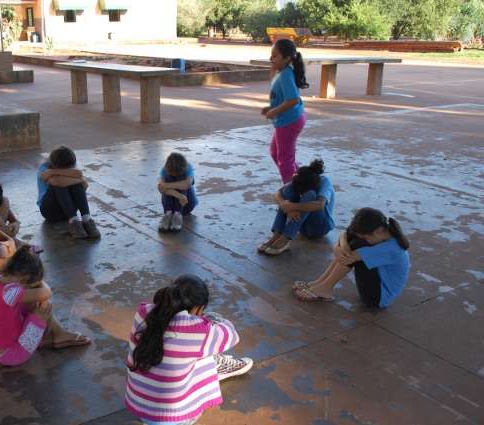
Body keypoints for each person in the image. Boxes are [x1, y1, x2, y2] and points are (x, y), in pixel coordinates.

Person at [125, 274, 253, 425]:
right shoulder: (197, 330)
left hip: (139, 405)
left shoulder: (144, 312)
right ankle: (217, 366)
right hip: (173, 417)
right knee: (205, 352)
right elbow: (231, 335)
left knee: (184, 352)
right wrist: (212, 319)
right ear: (199, 308)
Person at [0, 246, 91, 366]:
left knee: (32, 301)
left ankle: (58, 335)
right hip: (11, 355)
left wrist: (34, 281)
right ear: (24, 279)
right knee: (44, 307)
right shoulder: (10, 293)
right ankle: (57, 336)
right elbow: (47, 292)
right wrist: (40, 281)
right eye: (31, 284)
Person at [292, 208, 411, 308]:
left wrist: (339, 249)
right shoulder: (380, 230)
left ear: (378, 231)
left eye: (366, 236)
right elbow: (345, 235)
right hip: (375, 282)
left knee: (357, 245)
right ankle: (320, 283)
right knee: (354, 243)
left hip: (377, 298)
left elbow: (348, 256)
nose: (365, 238)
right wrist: (338, 248)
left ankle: (325, 289)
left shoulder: (392, 248)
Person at [259, 159, 335, 256]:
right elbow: (277, 193)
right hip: (301, 224)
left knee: (310, 195)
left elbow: (319, 205)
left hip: (319, 228)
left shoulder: (324, 181)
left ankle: (286, 237)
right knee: (288, 189)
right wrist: (285, 206)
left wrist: (292, 206)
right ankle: (277, 234)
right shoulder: (302, 176)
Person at [261, 38, 309, 184]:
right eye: (271, 55)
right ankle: (300, 182)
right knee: (276, 153)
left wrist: (273, 112)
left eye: (275, 56)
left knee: (285, 160)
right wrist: (271, 108)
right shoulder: (282, 72)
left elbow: (293, 99)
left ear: (287, 58)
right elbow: (282, 96)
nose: (271, 58)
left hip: (289, 121)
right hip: (286, 120)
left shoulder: (286, 75)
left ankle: (292, 191)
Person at [37, 146, 101, 240]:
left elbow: (81, 178)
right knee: (59, 186)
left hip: (68, 209)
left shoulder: (68, 163)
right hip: (49, 211)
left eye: (69, 168)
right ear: (53, 164)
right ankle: (74, 222)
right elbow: (56, 182)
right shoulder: (44, 168)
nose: (68, 169)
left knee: (76, 185)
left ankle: (87, 219)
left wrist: (54, 172)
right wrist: (75, 179)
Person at [157, 153, 198, 232]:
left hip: (186, 204)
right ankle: (168, 215)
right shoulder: (165, 169)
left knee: (182, 180)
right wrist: (179, 195)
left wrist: (166, 185)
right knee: (168, 180)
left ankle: (177, 214)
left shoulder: (188, 167)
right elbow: (160, 188)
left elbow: (187, 184)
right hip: (177, 201)